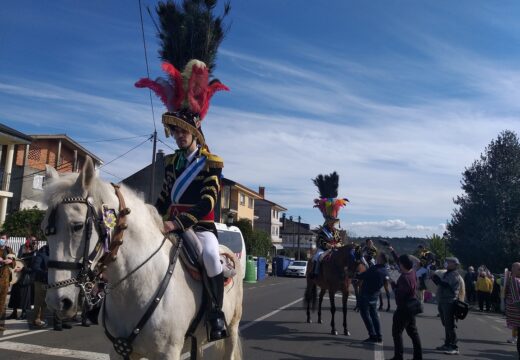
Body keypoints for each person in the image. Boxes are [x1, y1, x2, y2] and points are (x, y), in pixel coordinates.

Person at [138, 31, 232, 340]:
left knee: (208, 256)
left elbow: (207, 203)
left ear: (195, 132)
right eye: (176, 132)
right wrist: (152, 217)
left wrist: (176, 223)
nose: (179, 136)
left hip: (200, 228)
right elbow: (163, 198)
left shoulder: (211, 163)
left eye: (183, 132)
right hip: (170, 225)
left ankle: (216, 313)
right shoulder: (172, 163)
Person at [309, 172, 348, 278]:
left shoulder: (336, 231)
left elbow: (339, 240)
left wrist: (338, 245)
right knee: (317, 257)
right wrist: (328, 245)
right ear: (327, 222)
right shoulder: (323, 230)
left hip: (335, 249)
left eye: (333, 222)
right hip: (324, 249)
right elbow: (320, 240)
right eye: (331, 222)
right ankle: (315, 273)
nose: (332, 224)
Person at [389, 254, 423, 360]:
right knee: (413, 333)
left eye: (399, 264)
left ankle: (398, 357)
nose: (398, 265)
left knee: (396, 333)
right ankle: (418, 357)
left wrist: (393, 284)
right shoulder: (412, 272)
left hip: (404, 308)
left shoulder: (404, 278)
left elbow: (399, 294)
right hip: (412, 306)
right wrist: (392, 251)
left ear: (402, 264)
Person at [432, 257, 462, 355]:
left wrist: (436, 277)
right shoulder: (447, 273)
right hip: (442, 301)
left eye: (449, 262)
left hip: (449, 302)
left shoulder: (454, 274)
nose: (447, 263)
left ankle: (454, 347)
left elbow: (445, 284)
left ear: (455, 264)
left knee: (449, 324)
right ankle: (447, 344)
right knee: (446, 324)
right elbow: (440, 284)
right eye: (447, 262)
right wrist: (434, 278)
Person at [357, 253, 390, 343]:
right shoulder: (385, 271)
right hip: (375, 295)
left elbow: (361, 276)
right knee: (374, 315)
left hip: (365, 294)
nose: (376, 258)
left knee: (365, 315)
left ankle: (372, 335)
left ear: (381, 259)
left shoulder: (374, 268)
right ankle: (379, 335)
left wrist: (353, 274)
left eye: (378, 257)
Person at [8, 236, 36, 320]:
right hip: (18, 276)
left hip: (26, 277)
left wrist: (23, 269)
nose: (23, 249)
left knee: (24, 297)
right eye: (23, 247)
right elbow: (17, 261)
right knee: (15, 295)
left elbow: (33, 268)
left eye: (25, 247)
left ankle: (24, 313)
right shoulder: (22, 251)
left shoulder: (34, 254)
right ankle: (14, 312)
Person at [0, 232, 15, 330]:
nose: (1, 240)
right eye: (0, 238)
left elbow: (15, 263)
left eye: (3, 238)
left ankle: (0, 323)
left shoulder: (9, 250)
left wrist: (11, 261)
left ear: (6, 239)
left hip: (5, 279)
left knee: (2, 301)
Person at [31, 244, 49, 328]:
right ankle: (36, 319)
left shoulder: (53, 253)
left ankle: (42, 318)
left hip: (49, 281)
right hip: (40, 281)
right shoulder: (41, 253)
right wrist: (46, 273)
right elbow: (35, 267)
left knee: (45, 302)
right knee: (39, 301)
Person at [505, 263, 520, 357]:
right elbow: (516, 300)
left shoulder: (515, 280)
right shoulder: (514, 280)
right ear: (513, 270)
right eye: (518, 269)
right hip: (517, 312)